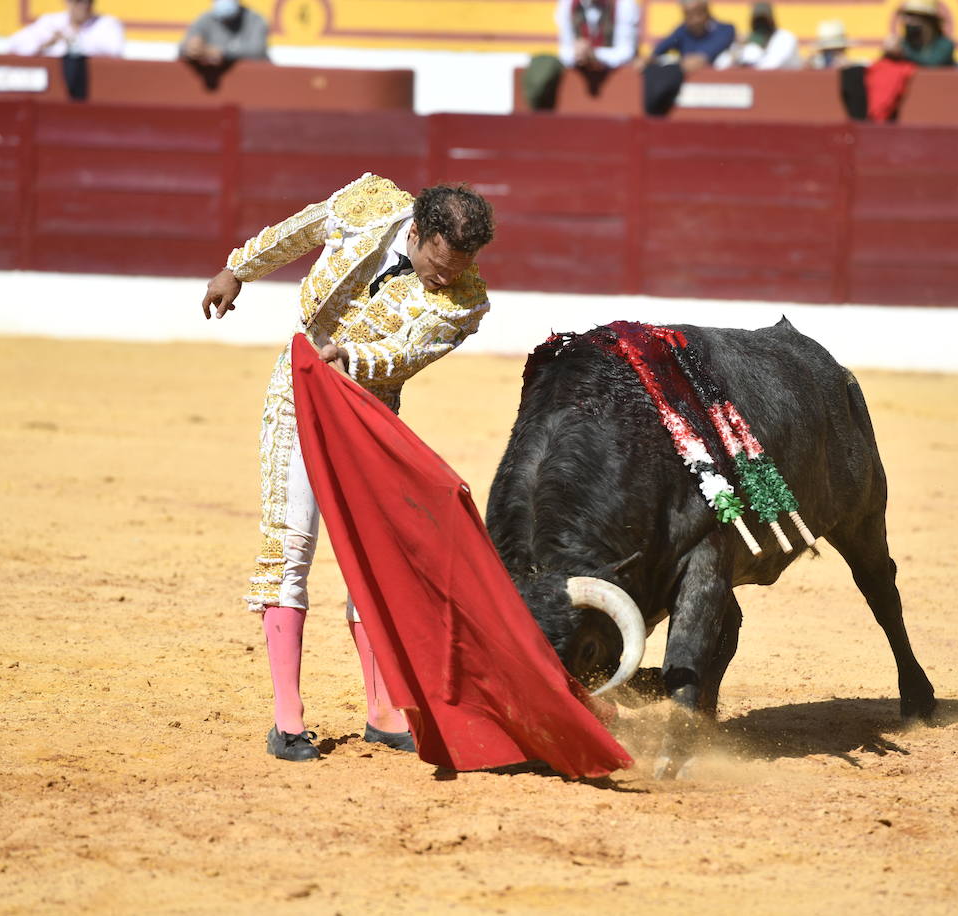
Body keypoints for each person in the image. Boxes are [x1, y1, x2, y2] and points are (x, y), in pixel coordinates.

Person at [200, 174, 495, 762]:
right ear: (414, 231)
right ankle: (288, 721)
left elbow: (409, 350)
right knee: (289, 547)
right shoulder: (365, 206)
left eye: (457, 268)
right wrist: (238, 269)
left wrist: (352, 356)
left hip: (368, 412)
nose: (446, 279)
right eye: (437, 265)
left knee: (374, 559)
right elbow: (301, 229)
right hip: (297, 392)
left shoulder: (468, 301)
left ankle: (384, 712)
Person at [523, 0, 641, 110]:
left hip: (617, 87)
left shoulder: (625, 4)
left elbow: (626, 51)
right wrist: (579, 54)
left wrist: (593, 55)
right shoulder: (567, 4)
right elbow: (565, 50)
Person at [642, 0, 736, 115]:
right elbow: (658, 51)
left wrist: (701, 58)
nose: (693, 20)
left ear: (706, 13)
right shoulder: (682, 31)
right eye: (688, 15)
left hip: (719, 97)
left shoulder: (725, 30)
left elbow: (700, 59)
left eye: (697, 13)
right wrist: (649, 59)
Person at [8, 0, 125, 58]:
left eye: (88, 1)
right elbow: (14, 44)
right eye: (78, 1)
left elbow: (114, 50)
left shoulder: (107, 24)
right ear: (67, 2)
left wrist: (73, 40)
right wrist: (46, 44)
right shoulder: (50, 22)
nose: (84, 6)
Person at [180, 0, 269, 65]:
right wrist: (192, 49)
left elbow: (257, 51)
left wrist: (222, 53)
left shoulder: (255, 19)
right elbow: (182, 49)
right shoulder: (205, 19)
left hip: (250, 79)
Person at [883, 0, 956, 67]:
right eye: (907, 15)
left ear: (929, 20)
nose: (908, 21)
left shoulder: (945, 44)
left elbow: (933, 64)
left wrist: (903, 52)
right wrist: (890, 53)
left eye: (914, 16)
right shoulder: (904, 43)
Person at [731, 1, 800, 70]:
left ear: (771, 20)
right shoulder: (750, 39)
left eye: (763, 20)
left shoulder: (784, 37)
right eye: (757, 21)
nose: (761, 24)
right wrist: (739, 47)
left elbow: (772, 64)